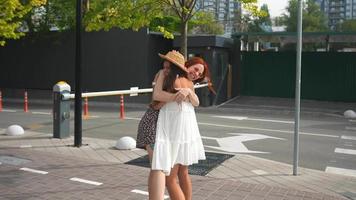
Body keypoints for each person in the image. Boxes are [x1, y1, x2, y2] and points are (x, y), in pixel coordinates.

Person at [149, 50, 207, 200]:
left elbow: (196, 102)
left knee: (171, 177)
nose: (196, 74)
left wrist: (187, 92)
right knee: (180, 173)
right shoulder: (170, 76)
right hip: (180, 129)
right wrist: (179, 95)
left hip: (178, 130)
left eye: (199, 74)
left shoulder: (184, 82)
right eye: (195, 69)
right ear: (187, 64)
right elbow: (158, 99)